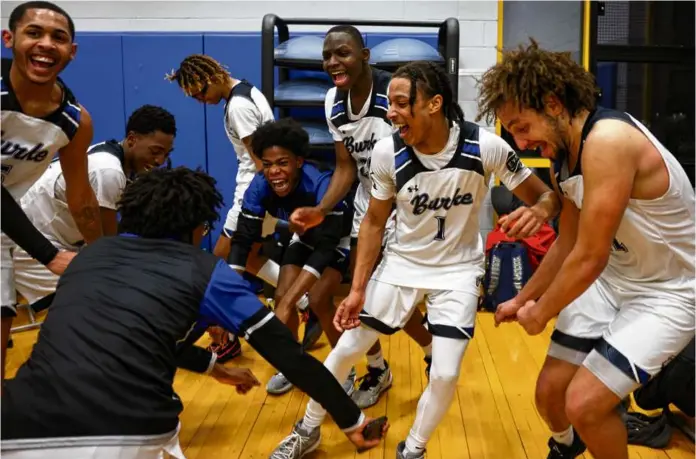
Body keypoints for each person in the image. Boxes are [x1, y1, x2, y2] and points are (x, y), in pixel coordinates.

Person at [272, 60, 559, 459]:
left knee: (444, 373)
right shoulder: (388, 151)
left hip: (459, 271)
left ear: (434, 104)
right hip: (402, 264)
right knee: (345, 351)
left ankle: (414, 449)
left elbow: (547, 195)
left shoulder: (485, 146)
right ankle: (307, 429)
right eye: (390, 104)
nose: (391, 113)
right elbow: (373, 222)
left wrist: (541, 212)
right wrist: (356, 290)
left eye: (402, 103)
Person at [1, 166, 387, 459]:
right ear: (198, 228)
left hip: (18, 421)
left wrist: (213, 368)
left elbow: (138, 337)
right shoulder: (206, 272)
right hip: (126, 428)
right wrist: (352, 420)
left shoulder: (89, 258)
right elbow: (290, 357)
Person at [482, 39, 695, 459]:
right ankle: (568, 447)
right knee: (549, 395)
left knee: (584, 404)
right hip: (615, 280)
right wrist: (524, 298)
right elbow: (569, 242)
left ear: (553, 104)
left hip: (668, 292)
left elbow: (590, 255)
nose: (521, 143)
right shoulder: (564, 152)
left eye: (523, 127)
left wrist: (540, 313)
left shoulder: (609, 141)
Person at [289, 24, 434, 409]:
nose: (333, 62)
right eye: (327, 55)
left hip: (407, 210)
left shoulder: (396, 93)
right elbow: (345, 168)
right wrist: (321, 209)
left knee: (386, 301)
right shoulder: (332, 102)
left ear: (365, 56)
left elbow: (427, 149)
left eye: (343, 53)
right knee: (364, 298)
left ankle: (426, 349)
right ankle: (381, 367)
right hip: (367, 211)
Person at [166, 54, 308, 361]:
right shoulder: (246, 90)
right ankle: (305, 301)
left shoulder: (238, 107)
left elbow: (261, 163)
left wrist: (262, 203)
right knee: (252, 258)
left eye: (200, 92)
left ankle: (226, 340)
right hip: (258, 194)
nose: (202, 100)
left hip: (252, 194)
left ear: (211, 77)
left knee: (219, 264)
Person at [1, 0, 103, 379]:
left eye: (58, 38)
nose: (46, 44)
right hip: (18, 227)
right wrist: (49, 255)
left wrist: (101, 256)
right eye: (34, 33)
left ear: (71, 52)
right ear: (8, 38)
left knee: (85, 307)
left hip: (9, 224)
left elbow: (81, 198)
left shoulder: (75, 121)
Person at [229, 118, 357, 395]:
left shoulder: (320, 183)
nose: (274, 171)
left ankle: (346, 368)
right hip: (304, 237)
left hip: (336, 238)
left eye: (283, 163)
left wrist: (288, 303)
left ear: (298, 161)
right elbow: (243, 239)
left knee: (320, 300)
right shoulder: (260, 184)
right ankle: (292, 365)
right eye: (268, 164)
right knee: (283, 294)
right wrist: (229, 289)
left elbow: (326, 244)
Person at [10, 105, 175, 313]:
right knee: (89, 305)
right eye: (156, 151)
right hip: (32, 239)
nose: (160, 161)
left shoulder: (119, 158)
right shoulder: (109, 171)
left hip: (57, 237)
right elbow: (106, 246)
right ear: (132, 139)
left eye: (166, 154)